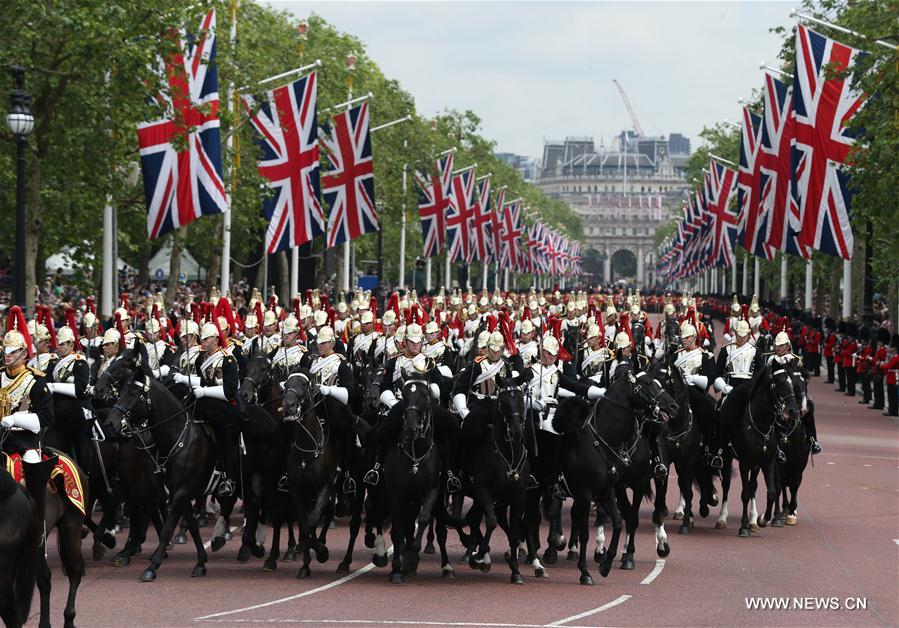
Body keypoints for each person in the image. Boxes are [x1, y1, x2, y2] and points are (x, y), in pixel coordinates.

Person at [0, 307, 57, 523]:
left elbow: (46, 417)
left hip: (24, 439)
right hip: (0, 437)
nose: (8, 355)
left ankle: (36, 519)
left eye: (13, 352)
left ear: (24, 353)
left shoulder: (35, 380)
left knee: (33, 464)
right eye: (6, 351)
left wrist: (15, 419)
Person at [176, 322, 240, 498]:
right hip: (205, 401)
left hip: (225, 406)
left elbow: (230, 391)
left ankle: (229, 476)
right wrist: (186, 381)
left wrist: (204, 391)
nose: (202, 342)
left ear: (216, 339)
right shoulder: (200, 359)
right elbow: (203, 381)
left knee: (224, 432)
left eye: (206, 339)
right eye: (202, 339)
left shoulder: (228, 359)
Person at [46, 323, 94, 470]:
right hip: (57, 408)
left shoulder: (79, 362)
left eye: (62, 344)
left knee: (79, 440)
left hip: (77, 409)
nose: (58, 347)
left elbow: (80, 389)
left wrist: (54, 387)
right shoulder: (55, 362)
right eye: (58, 344)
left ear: (71, 344)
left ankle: (83, 470)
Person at [766, 332, 822, 456]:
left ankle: (813, 440)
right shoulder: (770, 359)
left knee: (809, 409)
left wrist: (802, 398)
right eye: (776, 345)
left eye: (781, 345)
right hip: (776, 395)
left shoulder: (796, 360)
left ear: (787, 346)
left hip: (794, 395)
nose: (778, 348)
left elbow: (801, 380)